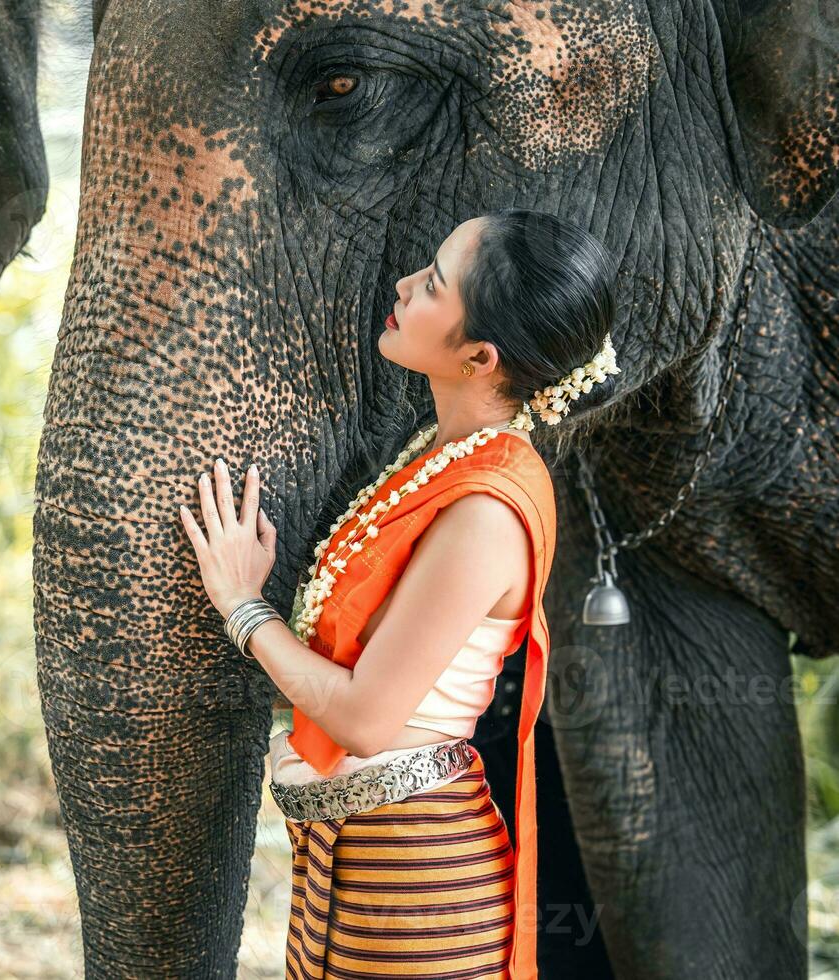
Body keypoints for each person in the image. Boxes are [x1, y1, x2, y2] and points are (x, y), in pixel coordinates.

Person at [179, 208, 621, 980]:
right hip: (348, 852)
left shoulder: (485, 508)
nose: (404, 283)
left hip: (416, 879)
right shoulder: (445, 454)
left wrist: (243, 605)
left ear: (479, 356)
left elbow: (365, 719)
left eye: (434, 285)